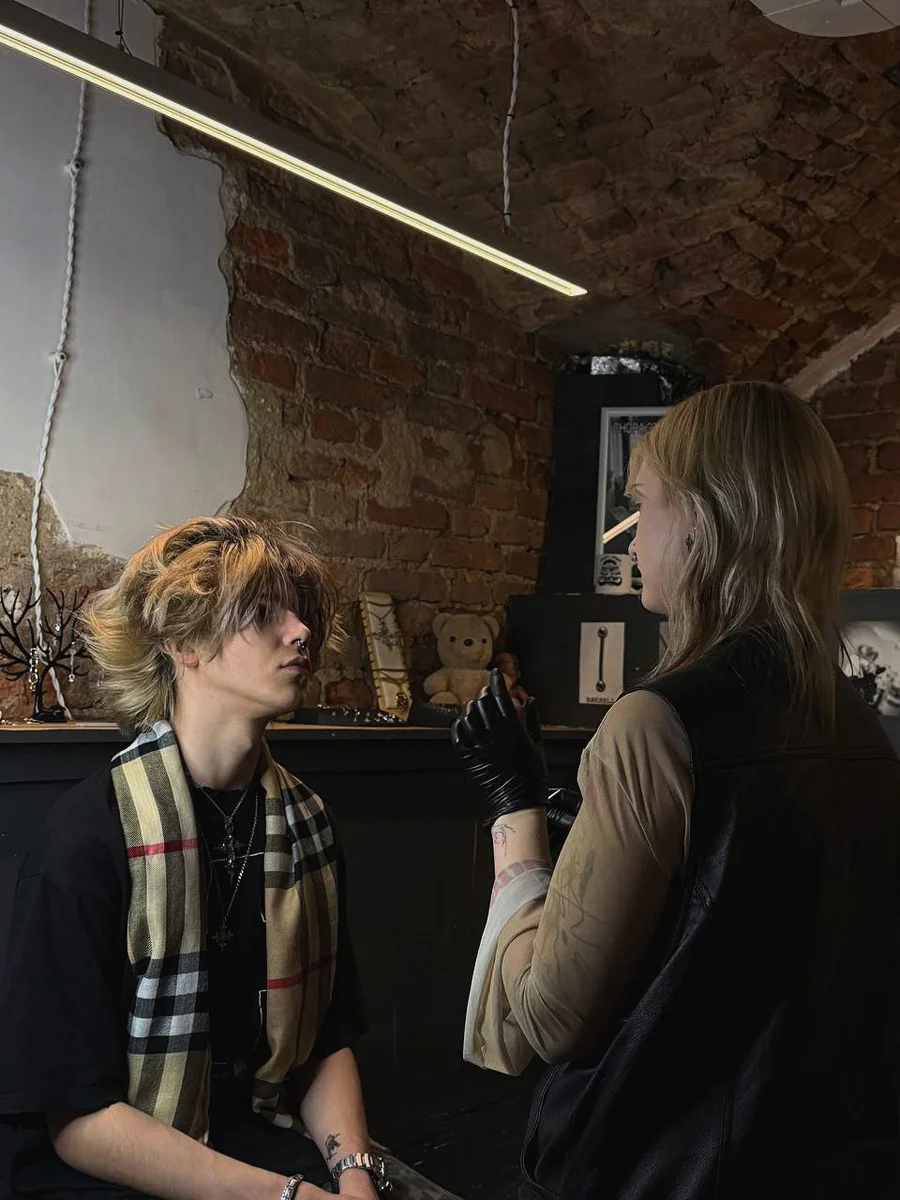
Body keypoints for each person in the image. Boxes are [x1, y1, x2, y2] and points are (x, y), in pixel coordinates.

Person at [453, 382, 900, 1200]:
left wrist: (515, 808)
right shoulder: (860, 728)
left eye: (642, 503)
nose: (632, 536)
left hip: (660, 1171)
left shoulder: (657, 726)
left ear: (704, 518)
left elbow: (551, 1018)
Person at [0, 516, 456, 1200]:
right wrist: (285, 1197)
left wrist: (355, 1175)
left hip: (257, 1135)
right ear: (182, 641)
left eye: (301, 614)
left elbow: (323, 1043)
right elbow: (78, 1120)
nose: (300, 633)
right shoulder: (88, 839)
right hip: (110, 1168)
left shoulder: (306, 824)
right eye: (264, 614)